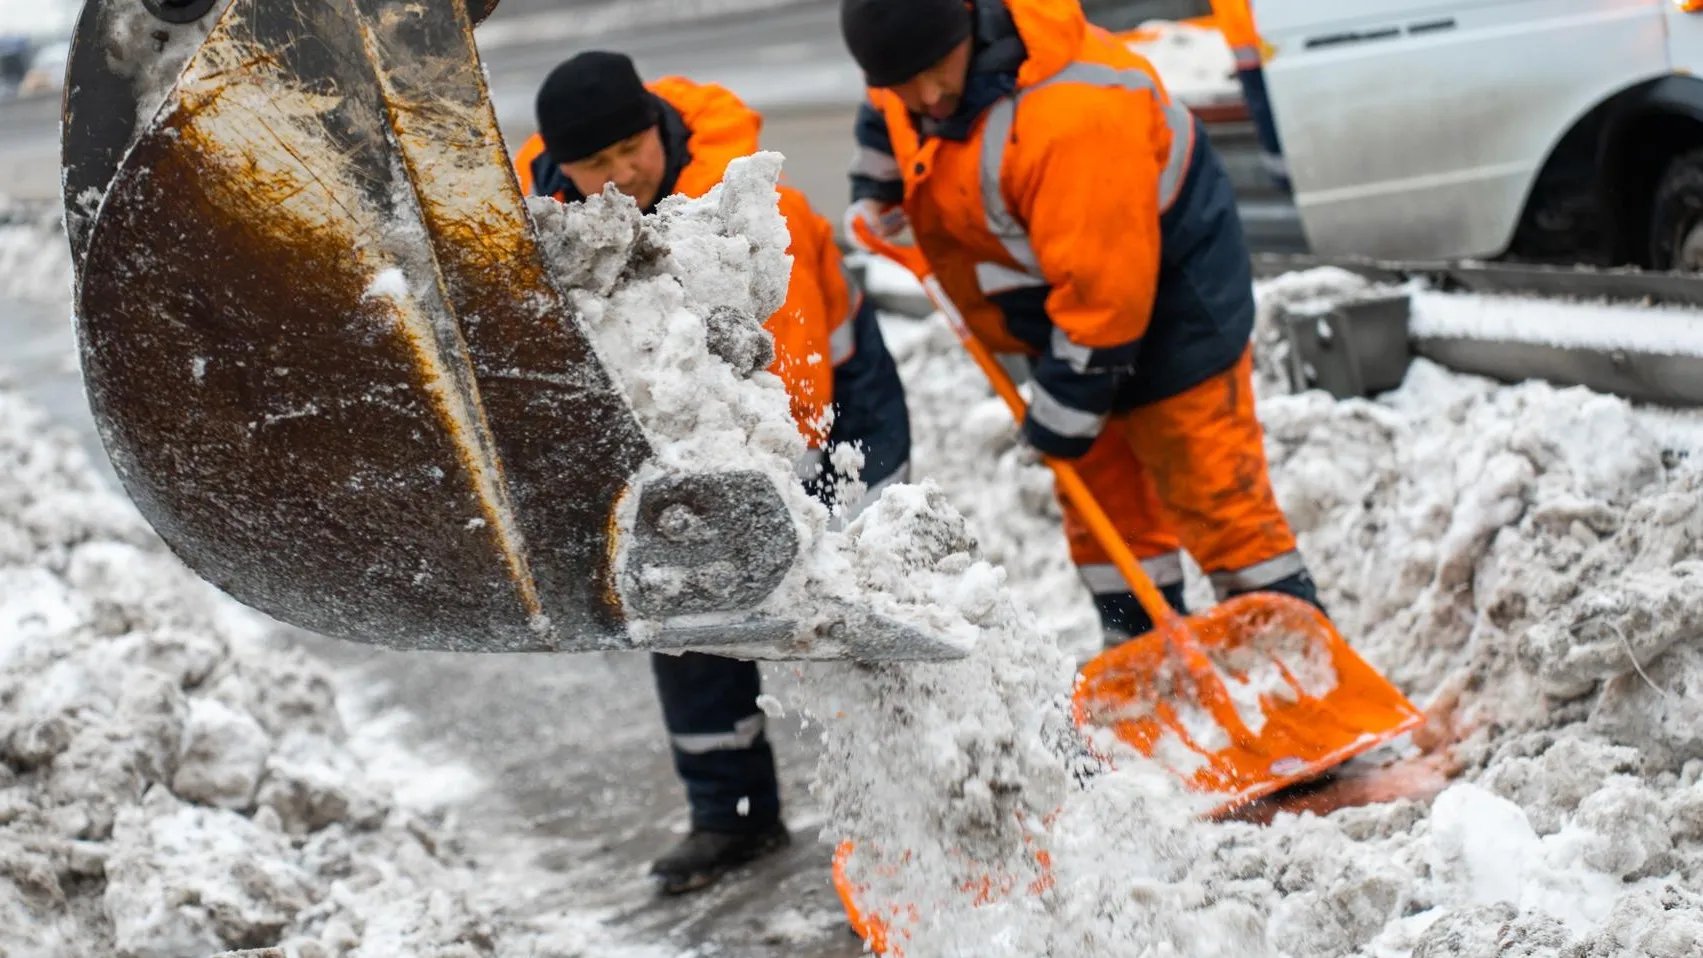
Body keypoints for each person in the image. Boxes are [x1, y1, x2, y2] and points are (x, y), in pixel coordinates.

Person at [515, 51, 912, 894]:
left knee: (861, 622)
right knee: (689, 619)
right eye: (596, 165)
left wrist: (788, 524)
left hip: (835, 426)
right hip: (688, 444)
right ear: (562, 164)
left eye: (633, 148)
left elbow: (789, 380)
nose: (622, 175)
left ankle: (912, 812)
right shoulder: (544, 236)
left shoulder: (751, 215)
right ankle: (731, 815)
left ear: (657, 126)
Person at [839, 0, 1323, 650]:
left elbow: (1105, 302)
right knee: (1105, 513)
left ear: (968, 26)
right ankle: (1143, 654)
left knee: (1214, 496)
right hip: (1065, 308)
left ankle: (1299, 670)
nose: (925, 96)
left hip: (1175, 302)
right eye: (902, 81)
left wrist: (1062, 419)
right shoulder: (915, 76)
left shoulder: (1072, 114)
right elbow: (889, 115)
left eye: (933, 70)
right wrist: (876, 189)